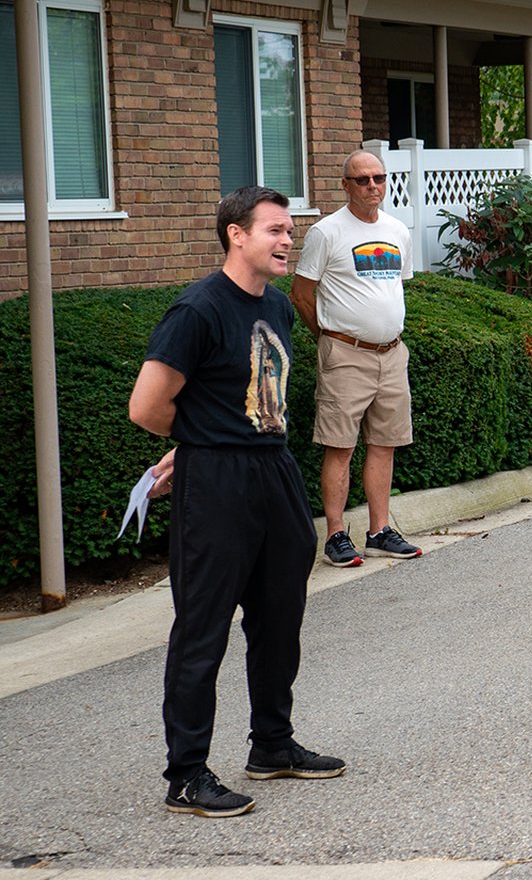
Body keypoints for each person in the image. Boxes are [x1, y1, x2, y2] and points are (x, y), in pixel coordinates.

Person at [129, 186, 346, 818]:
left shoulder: (276, 308)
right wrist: (196, 441)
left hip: (273, 472)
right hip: (217, 484)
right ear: (237, 235)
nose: (288, 240)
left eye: (290, 230)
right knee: (202, 630)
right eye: (275, 230)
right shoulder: (196, 309)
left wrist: (208, 428)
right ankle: (186, 775)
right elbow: (147, 406)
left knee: (279, 618)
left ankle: (272, 745)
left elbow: (248, 393)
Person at [291, 150, 422, 566]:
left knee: (385, 444)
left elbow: (396, 287)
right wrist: (328, 339)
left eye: (378, 178)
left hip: (392, 354)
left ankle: (379, 531)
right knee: (340, 446)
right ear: (345, 185)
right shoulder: (327, 232)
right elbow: (300, 293)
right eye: (362, 179)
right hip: (345, 354)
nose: (372, 186)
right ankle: (335, 535)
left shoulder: (398, 230)